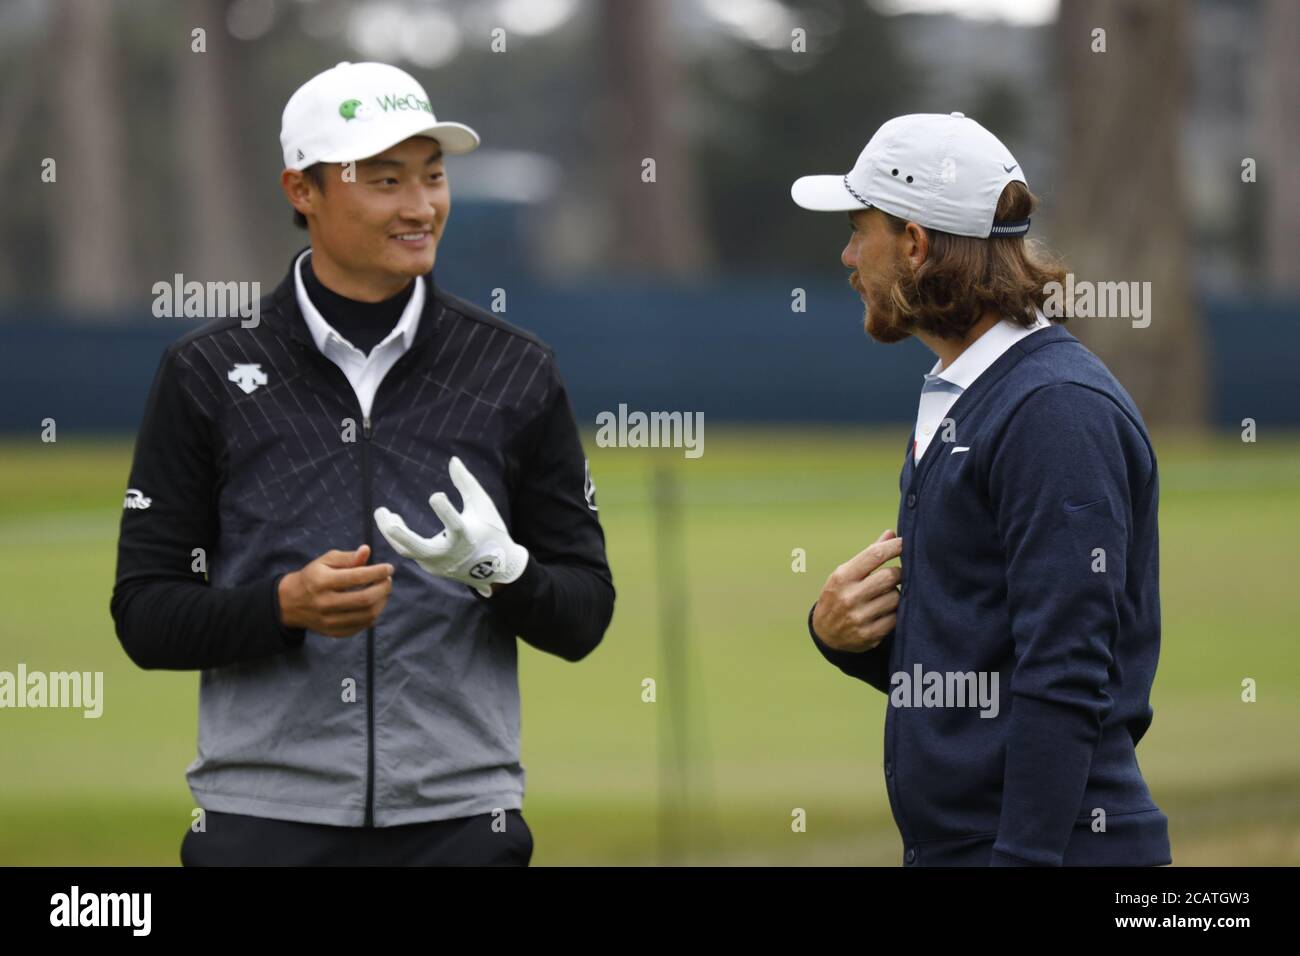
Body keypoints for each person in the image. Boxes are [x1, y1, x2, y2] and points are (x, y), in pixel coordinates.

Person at [110, 61, 615, 866]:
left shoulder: (514, 368)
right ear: (302, 191)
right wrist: (281, 607)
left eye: (434, 176)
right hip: (260, 823)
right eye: (385, 180)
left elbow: (586, 615)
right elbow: (143, 615)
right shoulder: (207, 369)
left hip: (462, 824)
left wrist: (502, 570)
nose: (420, 206)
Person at [791, 112, 1171, 866]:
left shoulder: (1053, 410)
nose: (846, 255)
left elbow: (1064, 673)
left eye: (858, 228)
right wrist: (842, 638)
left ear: (915, 243)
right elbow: (976, 664)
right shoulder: (971, 392)